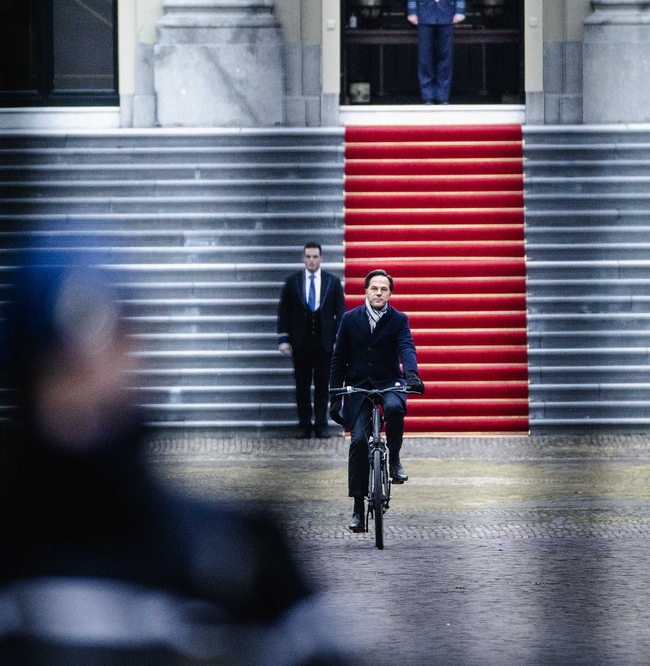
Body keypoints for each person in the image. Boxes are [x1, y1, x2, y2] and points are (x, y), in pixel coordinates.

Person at [0, 236, 352, 665]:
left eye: (111, 346)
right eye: (60, 373)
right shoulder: (225, 551)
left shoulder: (236, 554)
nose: (84, 393)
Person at [328, 269, 424, 533]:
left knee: (394, 408)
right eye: (374, 288)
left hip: (388, 382)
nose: (378, 293)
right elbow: (338, 359)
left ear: (390, 293)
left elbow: (407, 347)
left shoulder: (399, 319)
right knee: (358, 442)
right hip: (357, 386)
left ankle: (394, 460)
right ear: (366, 291)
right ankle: (358, 508)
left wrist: (412, 374)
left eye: (384, 289)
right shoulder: (349, 319)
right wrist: (334, 394)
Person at [277, 242, 346, 439]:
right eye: (308, 257)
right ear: (303, 258)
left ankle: (322, 425)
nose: (312, 260)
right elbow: (284, 312)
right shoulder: (293, 282)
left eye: (315, 257)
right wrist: (283, 339)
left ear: (321, 258)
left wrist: (339, 339)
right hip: (301, 342)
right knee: (302, 386)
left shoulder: (332, 282)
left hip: (325, 342)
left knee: (323, 386)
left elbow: (340, 312)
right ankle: (305, 424)